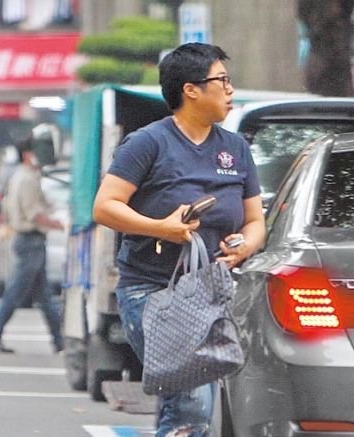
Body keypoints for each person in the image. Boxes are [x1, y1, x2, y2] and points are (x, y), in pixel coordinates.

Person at [92, 42, 265, 437]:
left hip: (208, 291)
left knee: (188, 397)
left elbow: (256, 220)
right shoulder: (147, 143)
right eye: (222, 80)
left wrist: (246, 245)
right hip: (151, 291)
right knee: (190, 393)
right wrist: (162, 228)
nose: (230, 89)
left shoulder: (235, 148)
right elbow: (105, 206)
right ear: (191, 90)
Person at [0, 135, 65, 354]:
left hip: (32, 241)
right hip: (30, 240)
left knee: (45, 296)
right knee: (15, 293)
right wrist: (57, 224)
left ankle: (59, 341)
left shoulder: (26, 176)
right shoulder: (27, 178)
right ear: (28, 154)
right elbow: (34, 213)